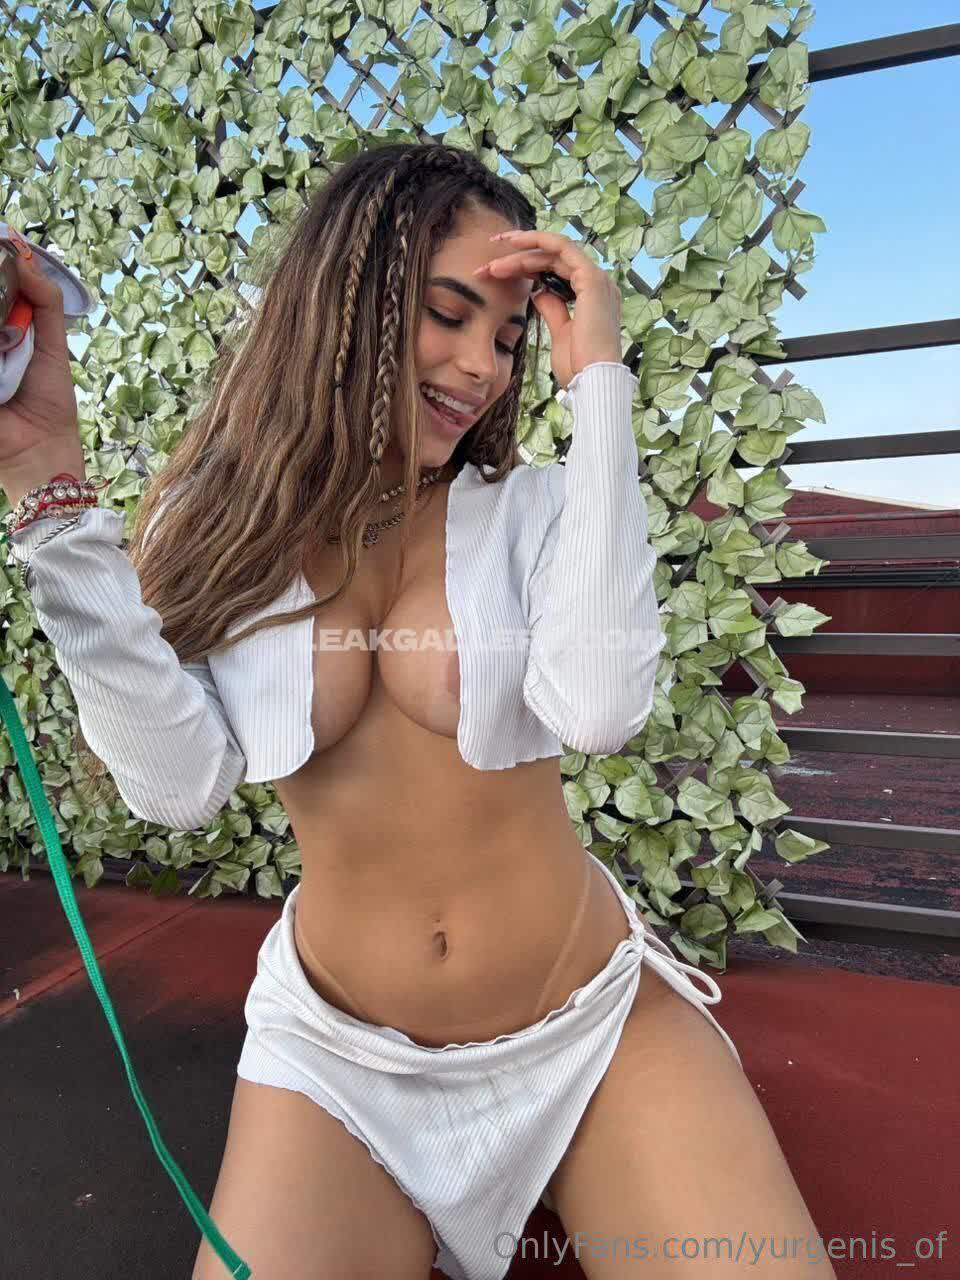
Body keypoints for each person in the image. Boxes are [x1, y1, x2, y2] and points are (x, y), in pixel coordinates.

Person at [1, 143, 835, 1280]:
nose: (481, 366)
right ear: (343, 304)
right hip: (340, 1060)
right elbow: (176, 787)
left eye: (507, 338)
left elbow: (598, 710)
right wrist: (48, 496)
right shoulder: (217, 526)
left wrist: (598, 381)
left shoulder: (533, 509)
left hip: (587, 1027)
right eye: (447, 316)